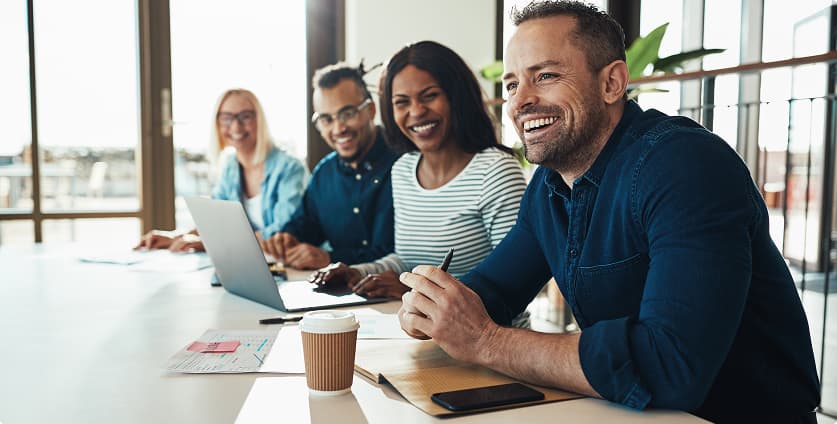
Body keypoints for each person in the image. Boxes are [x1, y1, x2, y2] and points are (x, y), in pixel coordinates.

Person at [396, 2, 821, 423]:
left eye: (545, 76)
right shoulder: (550, 184)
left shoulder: (685, 164)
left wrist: (486, 341)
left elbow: (671, 367)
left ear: (612, 82)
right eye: (511, 84)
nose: (521, 101)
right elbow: (494, 290)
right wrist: (435, 307)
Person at [310, 41, 527, 308]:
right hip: (419, 333)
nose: (416, 111)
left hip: (486, 342)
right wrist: (358, 271)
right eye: (402, 102)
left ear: (455, 96)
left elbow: (513, 283)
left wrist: (414, 289)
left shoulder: (496, 172)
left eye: (429, 96)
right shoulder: (403, 169)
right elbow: (406, 259)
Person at [259, 62, 400, 269]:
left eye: (348, 114)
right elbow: (306, 225)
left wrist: (330, 259)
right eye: (326, 119)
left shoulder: (405, 165)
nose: (338, 128)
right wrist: (287, 238)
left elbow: (400, 254)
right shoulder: (324, 173)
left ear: (370, 110)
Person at [135, 88, 307, 252]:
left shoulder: (289, 168)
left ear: (260, 120)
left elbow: (282, 232)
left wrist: (210, 244)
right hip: (251, 263)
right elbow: (216, 223)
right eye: (226, 118)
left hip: (291, 265)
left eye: (245, 117)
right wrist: (176, 237)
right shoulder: (231, 166)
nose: (236, 127)